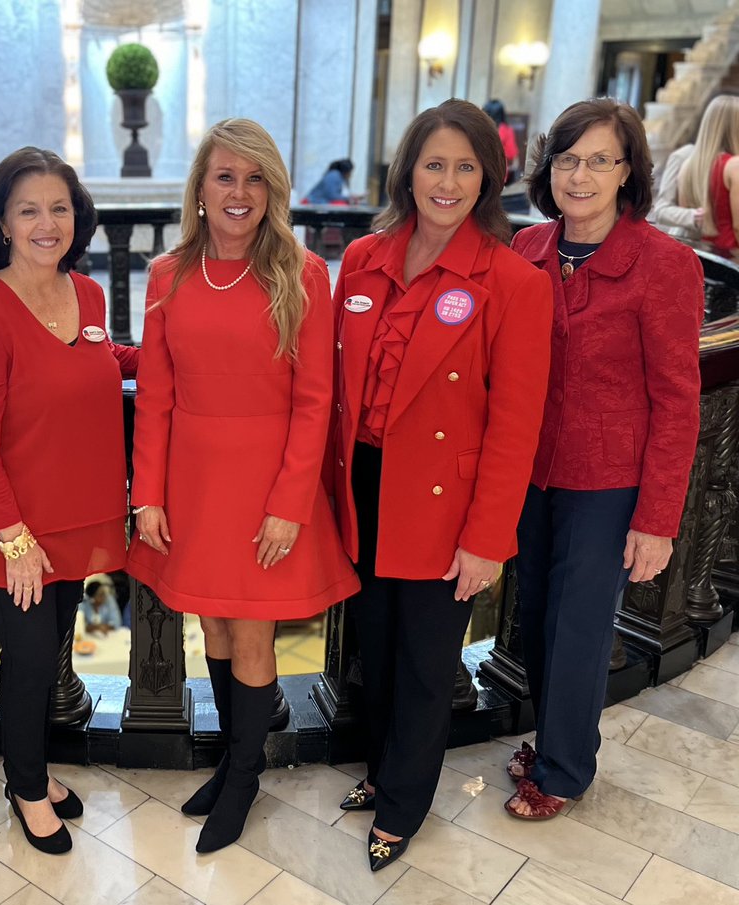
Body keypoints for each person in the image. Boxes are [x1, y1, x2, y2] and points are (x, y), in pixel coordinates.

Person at [326, 98, 552, 871]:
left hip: (442, 499)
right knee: (375, 648)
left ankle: (403, 803)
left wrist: (488, 537)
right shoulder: (363, 259)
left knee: (427, 663)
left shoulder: (513, 281)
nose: (447, 181)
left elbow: (515, 427)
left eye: (464, 165)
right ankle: (381, 768)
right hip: (364, 485)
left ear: (489, 174)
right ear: (408, 171)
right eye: (433, 163)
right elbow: (335, 383)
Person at [128, 118, 359, 854]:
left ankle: (243, 778)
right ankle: (234, 757)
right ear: (200, 187)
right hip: (194, 482)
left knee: (254, 633)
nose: (239, 192)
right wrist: (149, 493)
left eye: (255, 178)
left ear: (273, 190)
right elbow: (155, 396)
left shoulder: (301, 272)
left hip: (266, 486)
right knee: (215, 627)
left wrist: (290, 504)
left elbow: (315, 400)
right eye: (225, 176)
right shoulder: (168, 276)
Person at [509, 99, 703, 819]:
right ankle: (553, 738)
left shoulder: (664, 265)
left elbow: (679, 402)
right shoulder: (525, 253)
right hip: (530, 473)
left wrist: (657, 519)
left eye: (599, 159)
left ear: (628, 172)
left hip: (608, 480)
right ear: (548, 169)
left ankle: (563, 768)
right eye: (567, 159)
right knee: (534, 613)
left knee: (581, 627)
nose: (580, 175)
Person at [0, 147, 139, 855]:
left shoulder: (84, 293)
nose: (46, 222)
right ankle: (27, 787)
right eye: (28, 209)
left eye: (59, 208)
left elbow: (96, 356)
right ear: (1, 220)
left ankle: (34, 769)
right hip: (18, 530)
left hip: (79, 512)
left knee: (56, 652)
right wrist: (13, 537)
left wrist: (163, 358)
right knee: (29, 661)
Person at [672, 94, 739, 252]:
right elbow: (738, 227)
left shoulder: (687, 166)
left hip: (703, 255)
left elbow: (689, 218)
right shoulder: (734, 165)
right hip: (732, 258)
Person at [484, 100, 518, 175]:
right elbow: (511, 152)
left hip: (479, 169)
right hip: (499, 171)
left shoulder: (479, 129)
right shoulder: (506, 130)